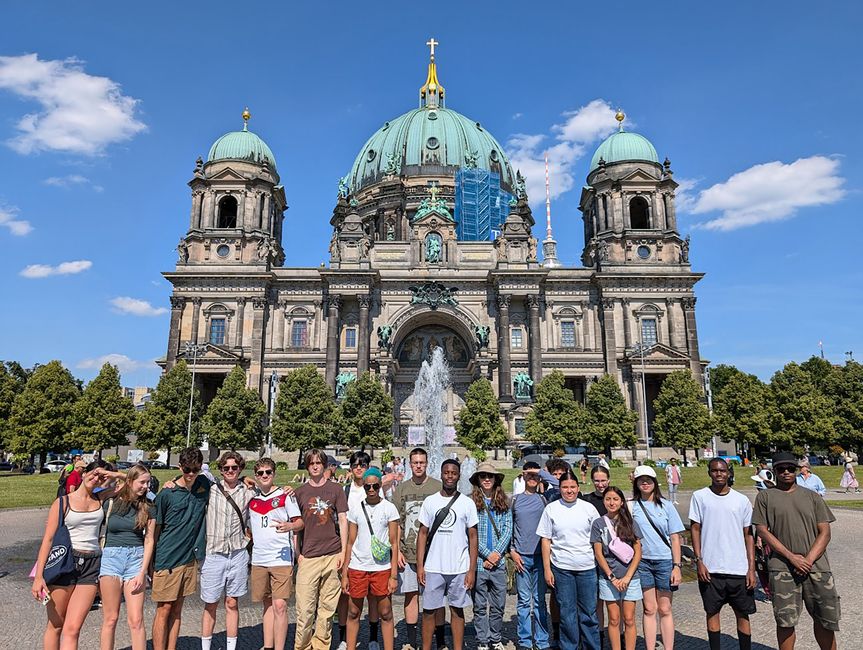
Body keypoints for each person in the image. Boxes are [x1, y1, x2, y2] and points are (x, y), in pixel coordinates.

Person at [753, 451, 840, 650]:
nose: (786, 472)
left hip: (817, 567)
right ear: (774, 471)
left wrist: (807, 559)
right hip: (782, 568)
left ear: (797, 470)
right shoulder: (765, 497)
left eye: (790, 468)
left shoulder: (812, 497)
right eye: (780, 469)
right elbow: (763, 531)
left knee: (825, 619)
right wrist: (792, 557)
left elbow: (825, 532)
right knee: (785, 621)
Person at [32, 459, 118, 649]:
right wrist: (39, 577)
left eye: (101, 477)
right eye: (93, 473)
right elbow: (48, 539)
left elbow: (131, 482)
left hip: (91, 564)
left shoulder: (100, 497)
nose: (96, 479)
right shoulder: (63, 502)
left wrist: (112, 475)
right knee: (56, 625)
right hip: (65, 562)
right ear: (85, 473)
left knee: (73, 628)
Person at [689, 458, 757, 650]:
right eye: (714, 471)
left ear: (728, 473)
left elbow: (748, 536)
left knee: (743, 614)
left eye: (722, 471)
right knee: (712, 613)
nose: (719, 474)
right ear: (709, 473)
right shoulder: (699, 496)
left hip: (738, 568)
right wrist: (699, 560)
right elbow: (695, 529)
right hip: (711, 569)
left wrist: (751, 568)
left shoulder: (741, 500)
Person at [150, 447, 211, 650]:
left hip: (189, 558)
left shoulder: (203, 485)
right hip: (167, 558)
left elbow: (225, 483)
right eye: (187, 469)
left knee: (177, 609)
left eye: (195, 469)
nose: (191, 474)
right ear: (180, 467)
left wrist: (249, 481)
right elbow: (154, 531)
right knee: (164, 609)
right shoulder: (167, 494)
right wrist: (151, 563)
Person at [416, 459, 479, 650]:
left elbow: (473, 537)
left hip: (459, 566)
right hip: (434, 565)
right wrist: (420, 566)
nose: (449, 476)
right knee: (428, 611)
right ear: (441, 474)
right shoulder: (431, 501)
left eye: (453, 473)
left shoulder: (467, 503)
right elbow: (422, 534)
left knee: (457, 610)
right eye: (446, 472)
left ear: (459, 476)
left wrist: (472, 570)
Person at [537, 469, 601, 650]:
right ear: (560, 488)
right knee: (567, 613)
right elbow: (545, 540)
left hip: (587, 567)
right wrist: (547, 569)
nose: (569, 490)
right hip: (562, 567)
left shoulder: (588, 508)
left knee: (589, 613)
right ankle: (569, 646)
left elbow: (599, 539)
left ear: (578, 487)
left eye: (572, 487)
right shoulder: (552, 508)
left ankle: (591, 646)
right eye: (565, 487)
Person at [294, 448, 349, 650]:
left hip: (332, 554)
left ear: (324, 465)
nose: (315, 466)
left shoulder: (336, 490)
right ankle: (302, 646)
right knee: (305, 610)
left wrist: (343, 552)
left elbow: (343, 521)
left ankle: (321, 647)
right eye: (311, 463)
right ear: (307, 466)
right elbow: (296, 526)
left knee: (327, 610)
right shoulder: (300, 492)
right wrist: (297, 554)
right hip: (308, 556)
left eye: (318, 463)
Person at [200, 452, 256, 650]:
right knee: (211, 604)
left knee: (232, 603)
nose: (230, 471)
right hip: (214, 553)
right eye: (226, 468)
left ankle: (231, 647)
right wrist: (172, 482)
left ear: (240, 469)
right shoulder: (210, 489)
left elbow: (268, 496)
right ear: (221, 470)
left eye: (234, 468)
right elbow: (187, 479)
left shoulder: (249, 491)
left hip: (238, 552)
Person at [98, 464, 156, 650]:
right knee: (110, 618)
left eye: (148, 482)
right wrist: (118, 475)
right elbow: (95, 491)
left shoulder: (149, 504)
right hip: (111, 558)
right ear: (130, 482)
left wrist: (143, 572)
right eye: (142, 482)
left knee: (136, 620)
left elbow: (149, 541)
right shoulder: (111, 501)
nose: (146, 486)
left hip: (136, 560)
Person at [250, 457, 304, 650]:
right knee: (267, 604)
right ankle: (268, 646)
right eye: (260, 473)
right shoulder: (252, 499)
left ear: (274, 474)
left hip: (280, 558)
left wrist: (290, 525)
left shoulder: (284, 495)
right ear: (255, 476)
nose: (264, 476)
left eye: (268, 472)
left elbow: (299, 522)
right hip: (259, 558)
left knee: (280, 605)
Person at [342, 468, 400, 650]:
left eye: (375, 485)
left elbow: (394, 543)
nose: (372, 489)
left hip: (381, 569)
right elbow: (350, 543)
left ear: (380, 485)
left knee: (386, 612)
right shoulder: (357, 508)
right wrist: (345, 573)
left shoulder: (389, 508)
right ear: (364, 487)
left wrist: (393, 575)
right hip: (358, 566)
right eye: (368, 486)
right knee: (353, 611)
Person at [391, 448, 443, 650]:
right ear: (410, 464)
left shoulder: (437, 487)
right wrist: (397, 551)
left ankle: (439, 641)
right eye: (415, 463)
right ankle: (412, 642)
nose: (419, 466)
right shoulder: (401, 489)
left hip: (434, 554)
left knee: (437, 597)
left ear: (427, 463)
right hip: (408, 551)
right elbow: (394, 523)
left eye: (422, 462)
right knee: (411, 595)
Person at [629, 465, 683, 650]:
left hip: (665, 561)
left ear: (654, 482)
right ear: (635, 483)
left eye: (648, 480)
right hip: (642, 562)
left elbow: (675, 537)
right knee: (649, 609)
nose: (645, 483)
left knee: (665, 609)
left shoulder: (666, 506)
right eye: (641, 480)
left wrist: (677, 566)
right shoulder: (632, 506)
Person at [338, 451, 381, 650]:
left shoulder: (373, 489)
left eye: (362, 465)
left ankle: (373, 637)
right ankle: (344, 638)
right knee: (345, 595)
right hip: (350, 547)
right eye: (355, 464)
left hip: (370, 550)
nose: (358, 468)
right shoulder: (345, 491)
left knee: (372, 597)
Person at [591, 486, 643, 650]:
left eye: (615, 499)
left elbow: (638, 551)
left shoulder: (629, 522)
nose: (611, 502)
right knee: (613, 619)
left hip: (631, 578)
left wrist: (627, 577)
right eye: (608, 499)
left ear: (622, 502)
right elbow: (598, 554)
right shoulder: (598, 523)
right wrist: (612, 577)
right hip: (608, 579)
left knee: (629, 618)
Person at [469, 463, 512, 650]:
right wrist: (487, 555)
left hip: (499, 562)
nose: (487, 479)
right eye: (483, 476)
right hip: (478, 562)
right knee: (479, 606)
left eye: (490, 476)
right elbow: (471, 533)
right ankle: (482, 641)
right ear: (478, 480)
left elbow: (507, 529)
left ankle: (495, 638)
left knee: (498, 605)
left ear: (496, 480)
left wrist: (495, 555)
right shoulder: (471, 503)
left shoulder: (503, 502)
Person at [510, 461, 550, 650]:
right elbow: (509, 528)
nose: (532, 478)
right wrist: (512, 551)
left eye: (535, 476)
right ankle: (525, 641)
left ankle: (542, 641)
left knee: (540, 600)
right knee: (524, 601)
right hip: (522, 557)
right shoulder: (515, 500)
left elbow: (560, 483)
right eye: (529, 475)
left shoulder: (544, 499)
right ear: (523, 477)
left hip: (541, 557)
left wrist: (539, 471)